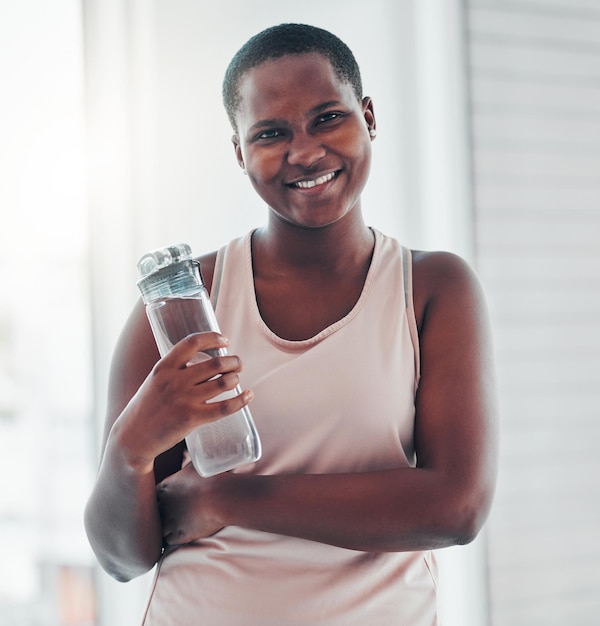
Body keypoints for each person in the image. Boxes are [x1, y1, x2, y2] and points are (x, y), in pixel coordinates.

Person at [84, 23, 498, 625]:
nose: (305, 152)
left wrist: (228, 497)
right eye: (271, 133)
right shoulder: (183, 304)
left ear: (369, 115)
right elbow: (122, 559)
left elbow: (455, 507)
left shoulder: (434, 289)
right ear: (239, 153)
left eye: (328, 117)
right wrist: (129, 449)